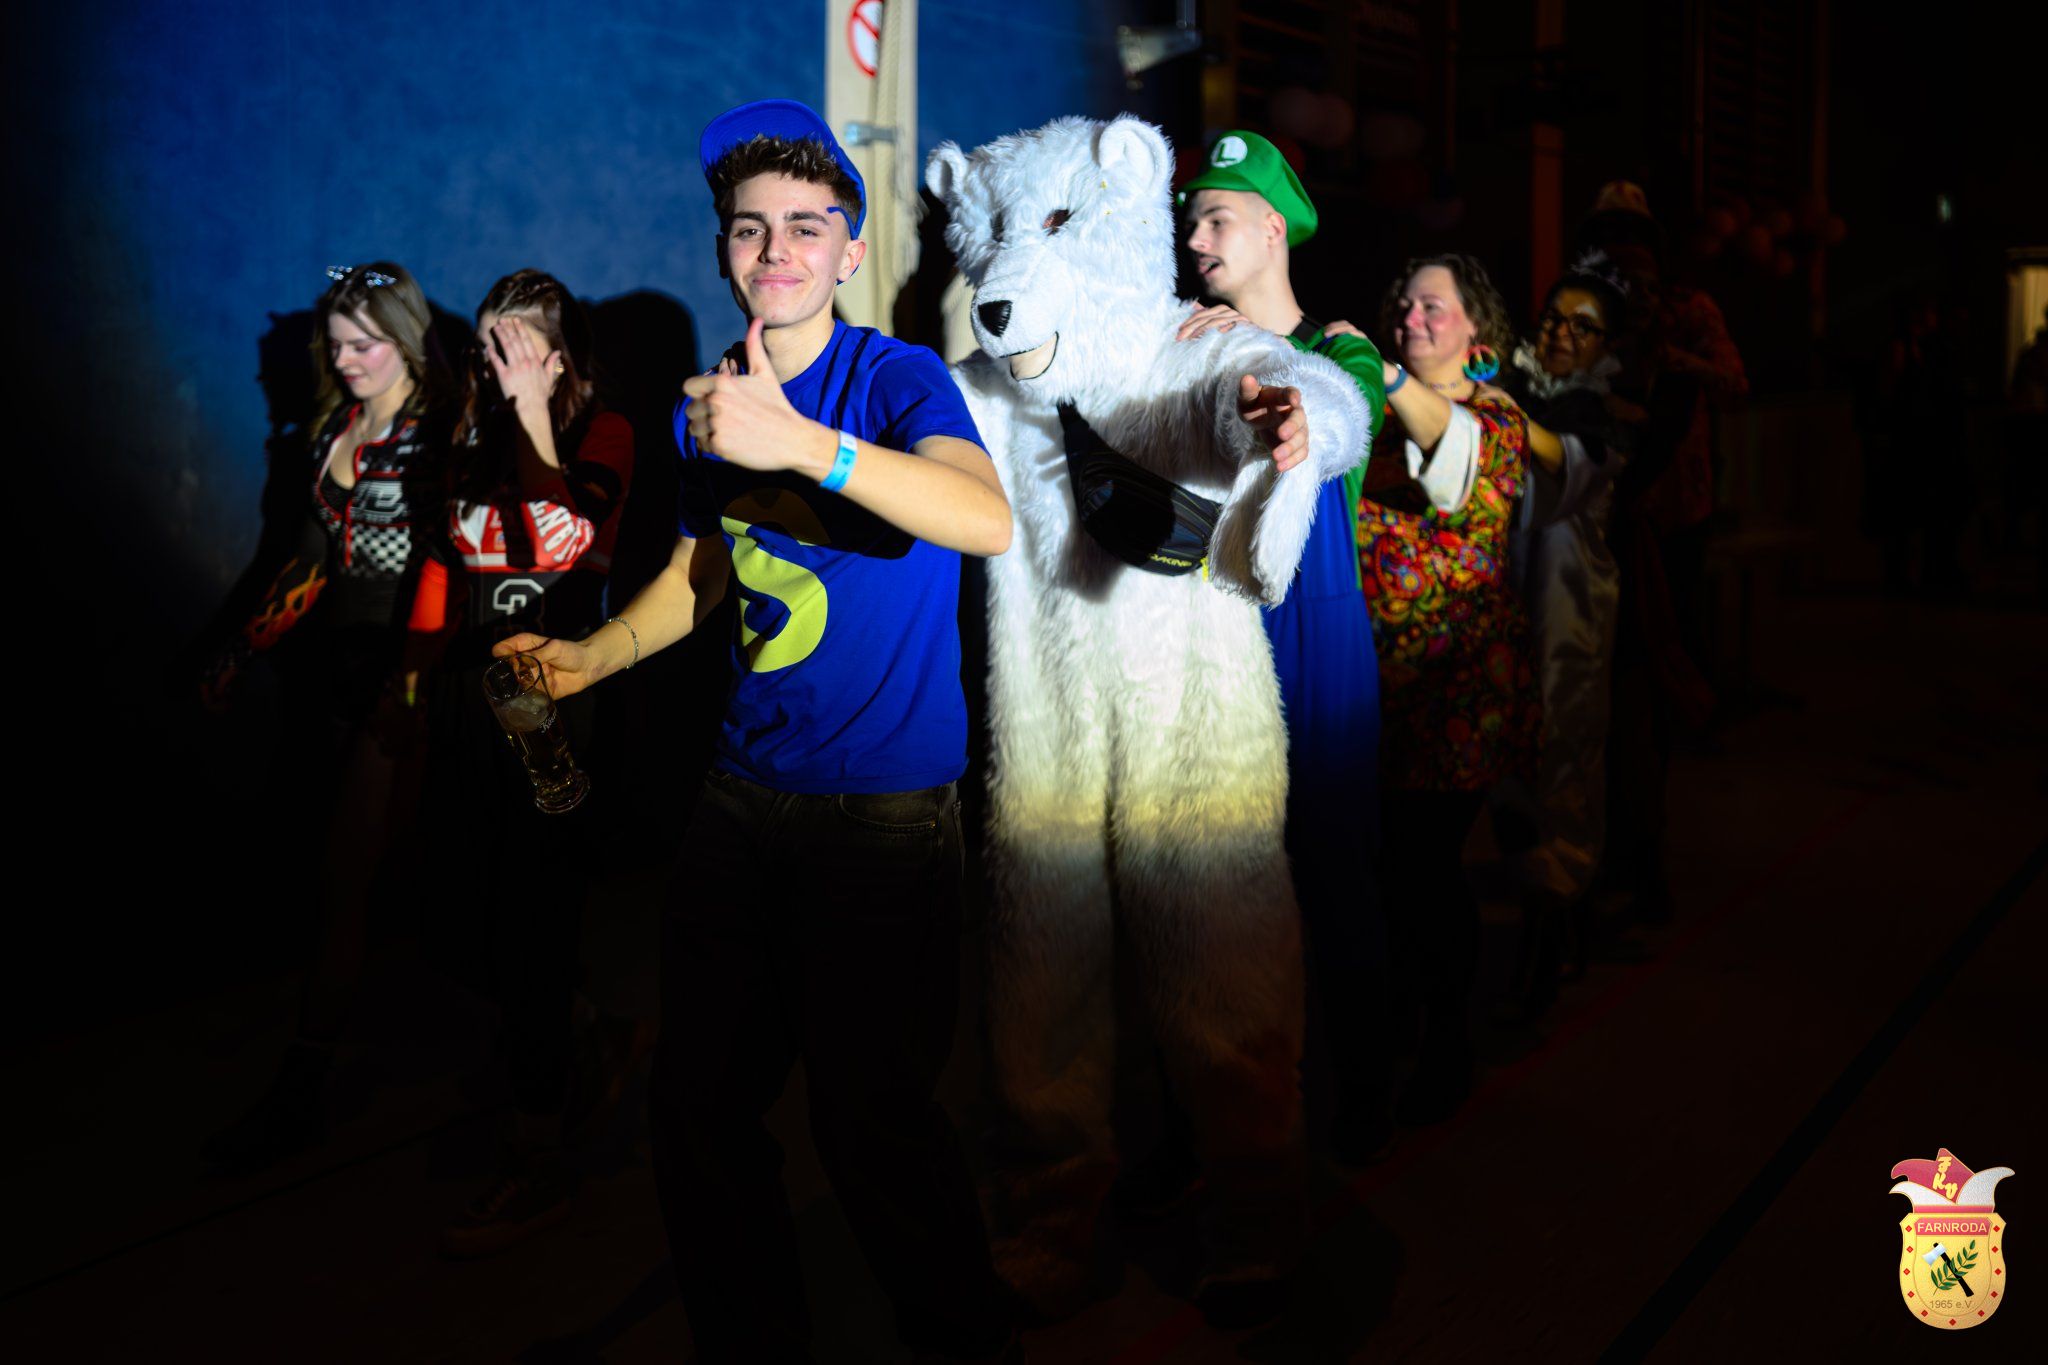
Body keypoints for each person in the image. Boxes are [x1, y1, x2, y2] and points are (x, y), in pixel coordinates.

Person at [496, 100, 1016, 1362]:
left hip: (881, 816)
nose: (776, 248)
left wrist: (804, 445)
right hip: (739, 803)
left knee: (870, 1123)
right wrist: (594, 656)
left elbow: (982, 519)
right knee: (697, 1116)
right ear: (723, 251)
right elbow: (703, 573)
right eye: (748, 228)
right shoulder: (710, 408)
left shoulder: (892, 377)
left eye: (805, 225)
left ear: (848, 250)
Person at [1173, 130, 1476, 1163]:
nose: (1195, 238)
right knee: (1210, 878)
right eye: (1190, 220)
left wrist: (1280, 393)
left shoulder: (1339, 350)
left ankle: (1360, 1087)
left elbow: (1340, 418)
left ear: (1271, 229)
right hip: (1212, 622)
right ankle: (1215, 1109)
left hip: (1314, 628)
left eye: (1216, 218)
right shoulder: (1186, 337)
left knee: (1332, 869)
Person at [201, 262, 451, 1173]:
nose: (345, 360)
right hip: (348, 682)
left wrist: (412, 685)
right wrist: (241, 647)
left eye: (364, 343)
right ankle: (576, 1033)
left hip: (416, 685)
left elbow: (453, 569)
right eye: (336, 344)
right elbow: (310, 558)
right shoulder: (333, 431)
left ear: (407, 338)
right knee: (414, 887)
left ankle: (300, 1094)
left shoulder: (440, 436)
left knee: (362, 880)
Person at [405, 268, 635, 1256]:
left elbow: (569, 539)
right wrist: (412, 686)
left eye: (522, 344)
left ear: (561, 354)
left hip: (554, 702)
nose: (500, 361)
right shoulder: (472, 438)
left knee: (533, 921)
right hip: (470, 698)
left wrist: (536, 414)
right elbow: (442, 569)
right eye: (490, 342)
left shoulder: (602, 434)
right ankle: (585, 1029)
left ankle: (537, 1157)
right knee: (455, 918)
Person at [1331, 254, 1541, 1124]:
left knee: (1424, 869)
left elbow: (1453, 463)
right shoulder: (1378, 414)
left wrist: (1383, 374)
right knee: (1389, 870)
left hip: (1457, 687)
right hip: (1375, 686)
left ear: (1476, 330)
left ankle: (1447, 1041)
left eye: (1434, 306)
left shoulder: (1495, 416)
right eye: (1404, 305)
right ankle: (1402, 1024)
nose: (1412, 318)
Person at [1493, 253, 1637, 1018]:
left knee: (1564, 758)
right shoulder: (1513, 390)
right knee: (1510, 762)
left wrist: (1487, 408)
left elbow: (1561, 461)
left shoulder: (1600, 417)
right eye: (1554, 318)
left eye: (1583, 327)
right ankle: (1537, 915)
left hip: (1568, 616)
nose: (1560, 334)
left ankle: (1555, 929)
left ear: (1605, 346)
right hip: (1503, 611)